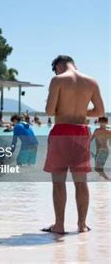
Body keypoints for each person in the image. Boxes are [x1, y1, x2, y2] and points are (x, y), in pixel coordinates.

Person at [43, 55, 105, 234]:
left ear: (58, 67)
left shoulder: (58, 80)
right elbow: (100, 111)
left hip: (61, 130)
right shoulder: (91, 81)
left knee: (58, 182)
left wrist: (65, 109)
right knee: (81, 181)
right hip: (81, 132)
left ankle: (59, 225)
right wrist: (78, 110)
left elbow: (49, 110)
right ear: (74, 64)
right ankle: (82, 225)